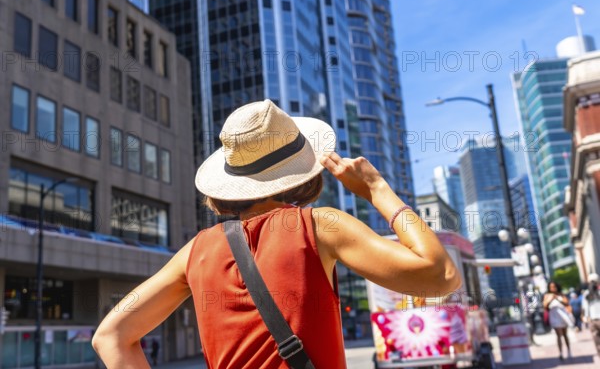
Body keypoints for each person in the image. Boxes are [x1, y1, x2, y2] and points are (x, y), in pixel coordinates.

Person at [91, 99, 461, 368]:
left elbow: (110, 336)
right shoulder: (320, 226)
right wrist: (377, 189)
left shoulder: (195, 251)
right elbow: (441, 276)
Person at [543, 281, 572, 361]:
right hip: (554, 316)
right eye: (551, 287)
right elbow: (545, 306)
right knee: (558, 334)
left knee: (565, 334)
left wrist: (558, 299)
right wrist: (551, 299)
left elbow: (566, 303)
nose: (553, 288)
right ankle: (561, 352)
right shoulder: (547, 295)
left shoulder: (561, 295)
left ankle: (569, 351)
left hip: (563, 316)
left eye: (554, 287)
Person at [583, 273, 600, 356]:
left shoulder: (587, 293)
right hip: (594, 318)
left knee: (596, 338)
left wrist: (586, 317)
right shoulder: (588, 293)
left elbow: (586, 308)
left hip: (593, 319)